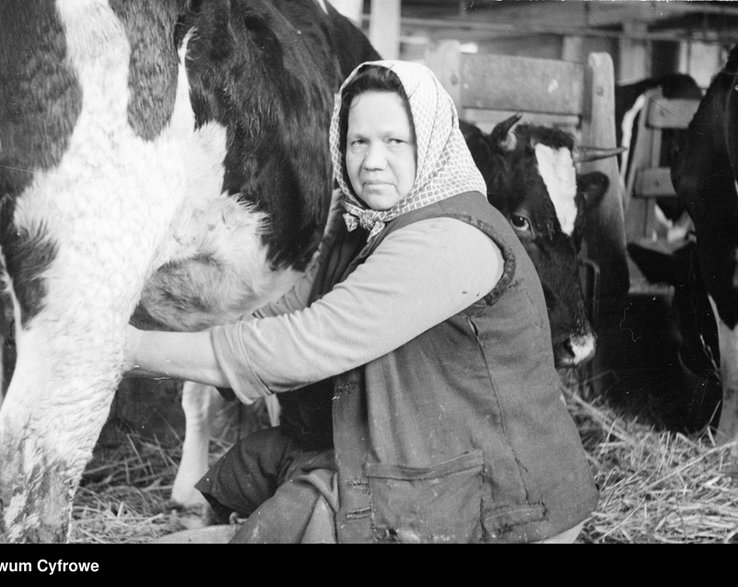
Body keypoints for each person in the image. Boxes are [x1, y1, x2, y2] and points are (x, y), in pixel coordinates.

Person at [126, 60, 598, 543]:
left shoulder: (450, 237)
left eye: (395, 141)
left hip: (503, 502)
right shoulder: (364, 223)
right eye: (358, 142)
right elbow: (278, 315)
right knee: (250, 482)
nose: (371, 161)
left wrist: (125, 350)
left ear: (431, 140)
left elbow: (305, 344)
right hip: (421, 460)